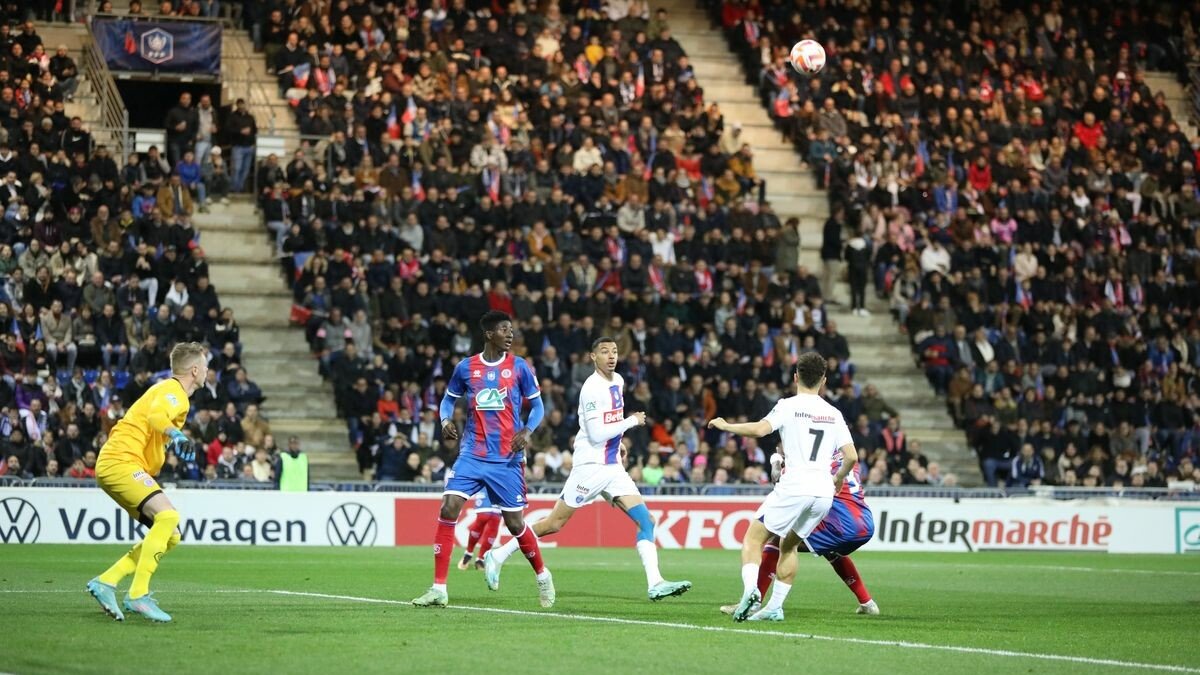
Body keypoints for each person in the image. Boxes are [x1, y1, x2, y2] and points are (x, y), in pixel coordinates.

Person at [483, 337, 692, 601]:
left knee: (646, 521)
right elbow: (595, 433)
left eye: (614, 351)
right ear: (593, 357)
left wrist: (618, 443)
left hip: (612, 466)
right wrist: (631, 422)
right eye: (604, 352)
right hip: (590, 466)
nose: (611, 356)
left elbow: (609, 422)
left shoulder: (618, 381)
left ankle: (655, 583)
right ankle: (498, 554)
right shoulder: (591, 388)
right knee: (553, 524)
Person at [412, 311, 553, 609]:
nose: (510, 334)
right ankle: (438, 588)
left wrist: (527, 431)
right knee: (449, 506)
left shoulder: (519, 367)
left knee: (515, 523)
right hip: (472, 454)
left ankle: (542, 575)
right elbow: (448, 400)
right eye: (504, 329)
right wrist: (445, 420)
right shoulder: (466, 368)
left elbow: (538, 407)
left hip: (507, 458)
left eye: (511, 329)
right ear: (489, 334)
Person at [707, 351, 857, 621]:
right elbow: (852, 456)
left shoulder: (788, 405)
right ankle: (775, 607)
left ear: (796, 377)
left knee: (754, 539)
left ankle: (750, 593)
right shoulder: (834, 413)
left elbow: (759, 430)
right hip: (823, 493)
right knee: (788, 546)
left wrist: (727, 426)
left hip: (795, 486)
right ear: (824, 380)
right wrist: (839, 478)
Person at [85, 342, 207, 623]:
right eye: (205, 366)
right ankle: (138, 594)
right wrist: (175, 435)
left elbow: (153, 422)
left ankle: (106, 581)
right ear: (194, 370)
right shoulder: (174, 392)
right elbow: (155, 417)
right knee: (168, 515)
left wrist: (170, 442)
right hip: (121, 461)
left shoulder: (167, 391)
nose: (207, 372)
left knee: (171, 534)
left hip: (122, 463)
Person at [720, 450, 879, 617]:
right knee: (831, 551)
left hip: (841, 524)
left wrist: (776, 461)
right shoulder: (845, 455)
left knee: (779, 541)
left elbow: (779, 478)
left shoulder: (816, 462)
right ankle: (867, 603)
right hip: (864, 523)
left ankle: (754, 604)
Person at [457, 492, 501, 571]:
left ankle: (480, 559)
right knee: (483, 516)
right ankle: (468, 554)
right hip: (484, 487)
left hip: (500, 489)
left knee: (495, 520)